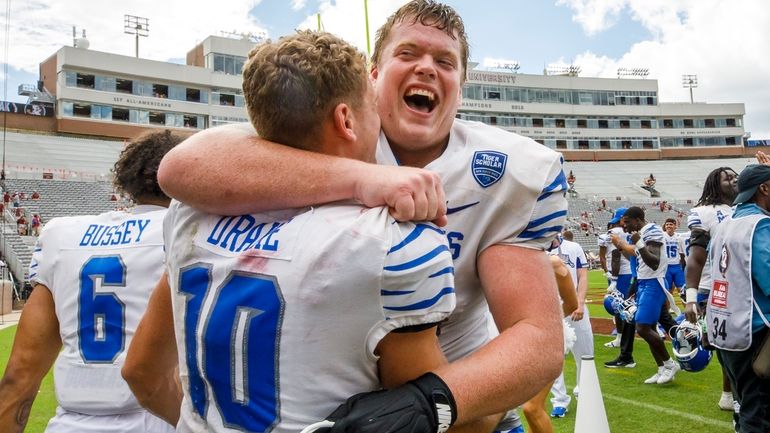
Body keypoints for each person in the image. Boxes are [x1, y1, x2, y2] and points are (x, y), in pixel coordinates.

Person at [156, 1, 567, 430]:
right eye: (407, 54)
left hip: (464, 403)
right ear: (373, 76)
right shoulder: (328, 135)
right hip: (335, 392)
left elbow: (536, 339)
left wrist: (429, 403)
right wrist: (361, 178)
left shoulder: (503, 170)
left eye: (444, 61)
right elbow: (181, 167)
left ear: (460, 88)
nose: (426, 68)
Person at [122, 31, 477, 433]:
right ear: (345, 119)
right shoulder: (391, 243)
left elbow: (142, 373)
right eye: (371, 110)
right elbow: (445, 423)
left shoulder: (189, 213)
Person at [0, 129, 182, 433]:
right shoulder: (182, 232)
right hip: (155, 420)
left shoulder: (63, 235)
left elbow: (20, 375)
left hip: (70, 424)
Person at [707, 164, 770, 433]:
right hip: (755, 331)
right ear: (764, 189)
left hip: (726, 328)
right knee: (759, 415)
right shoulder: (760, 226)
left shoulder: (725, 225)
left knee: (747, 407)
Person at [683, 166, 739, 410]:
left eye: (736, 176)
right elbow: (696, 257)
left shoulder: (749, 206)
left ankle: (734, 395)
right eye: (727, 178)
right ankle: (733, 396)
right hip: (714, 287)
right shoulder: (703, 212)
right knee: (724, 346)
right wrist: (691, 297)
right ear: (715, 185)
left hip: (745, 284)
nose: (734, 180)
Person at [616, 206, 678, 384]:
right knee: (649, 326)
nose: (624, 226)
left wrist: (639, 242)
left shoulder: (652, 230)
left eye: (627, 222)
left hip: (654, 282)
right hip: (644, 282)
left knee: (642, 327)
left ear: (637, 219)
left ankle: (669, 364)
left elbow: (654, 262)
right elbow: (640, 259)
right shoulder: (642, 233)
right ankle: (661, 368)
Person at [522, 255, 578, 433]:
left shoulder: (552, 262)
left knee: (532, 408)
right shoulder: (507, 260)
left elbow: (571, 303)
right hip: (522, 339)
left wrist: (546, 320)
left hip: (549, 338)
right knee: (536, 406)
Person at [548, 230, 593, 418]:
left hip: (574, 306)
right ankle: (559, 400)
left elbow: (582, 275)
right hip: (550, 310)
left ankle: (584, 390)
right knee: (554, 358)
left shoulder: (573, 247)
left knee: (585, 353)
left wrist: (580, 303)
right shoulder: (534, 249)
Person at [662, 218, 686, 295]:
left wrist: (683, 265)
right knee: (667, 292)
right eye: (667, 224)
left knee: (682, 290)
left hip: (677, 266)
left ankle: (687, 307)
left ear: (675, 226)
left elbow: (682, 253)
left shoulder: (679, 237)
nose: (669, 226)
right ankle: (669, 307)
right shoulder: (661, 236)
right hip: (666, 266)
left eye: (671, 224)